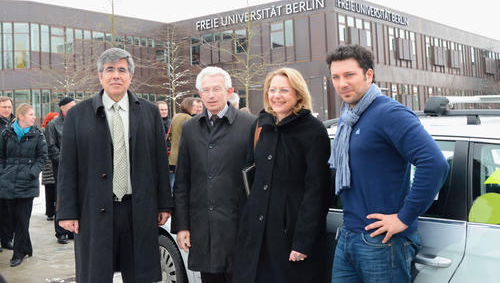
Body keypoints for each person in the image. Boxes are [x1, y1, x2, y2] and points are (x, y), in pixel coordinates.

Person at [326, 45, 449, 283]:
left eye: (349, 75)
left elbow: (434, 163)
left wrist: (404, 217)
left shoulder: (389, 113)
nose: (342, 83)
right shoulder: (348, 117)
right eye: (336, 77)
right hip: (349, 235)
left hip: (382, 242)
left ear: (368, 75)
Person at [57, 48, 173, 283]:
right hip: (94, 210)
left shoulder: (150, 113)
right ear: (100, 76)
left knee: (141, 275)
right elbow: (67, 167)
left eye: (122, 70)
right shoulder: (78, 115)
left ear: (131, 75)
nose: (116, 75)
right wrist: (67, 211)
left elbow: (160, 163)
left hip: (138, 209)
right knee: (95, 275)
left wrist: (164, 204)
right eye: (110, 70)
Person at [232, 68, 331, 283]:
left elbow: (318, 190)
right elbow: (249, 178)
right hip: (256, 234)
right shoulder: (260, 126)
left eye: (284, 90)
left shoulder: (313, 130)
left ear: (298, 94)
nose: (276, 96)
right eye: (272, 90)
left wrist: (303, 241)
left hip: (290, 236)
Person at [173, 66, 255, 283]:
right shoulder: (190, 128)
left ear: (229, 92)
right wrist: (182, 226)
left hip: (239, 226)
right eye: (205, 90)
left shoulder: (249, 125)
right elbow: (182, 181)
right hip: (204, 228)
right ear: (199, 94)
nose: (210, 95)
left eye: (216, 89)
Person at [0, 103, 48, 267]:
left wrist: (32, 173)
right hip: (8, 181)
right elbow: (1, 156)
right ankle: (27, 247)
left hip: (27, 183)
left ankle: (18, 253)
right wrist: (3, 172)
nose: (34, 117)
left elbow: (42, 157)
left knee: (22, 219)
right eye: (31, 114)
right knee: (12, 219)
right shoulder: (6, 133)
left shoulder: (38, 134)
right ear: (21, 116)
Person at [47, 97, 76, 244]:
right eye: (70, 106)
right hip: (61, 167)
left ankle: (72, 230)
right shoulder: (53, 124)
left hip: (78, 167)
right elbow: (51, 147)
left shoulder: (78, 121)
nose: (73, 108)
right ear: (62, 108)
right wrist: (65, 162)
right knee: (61, 199)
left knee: (76, 197)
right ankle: (61, 232)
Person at [167, 97, 196, 189]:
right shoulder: (187, 118)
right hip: (183, 155)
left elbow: (170, 134)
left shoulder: (176, 116)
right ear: (189, 106)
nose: (196, 108)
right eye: (194, 106)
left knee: (174, 181)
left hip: (173, 155)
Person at [0, 96, 15, 253]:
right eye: (3, 107)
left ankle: (6, 238)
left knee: (9, 209)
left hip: (12, 172)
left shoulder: (16, 123)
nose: (6, 110)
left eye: (8, 107)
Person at [41, 112, 59, 221]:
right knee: (49, 189)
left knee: (56, 189)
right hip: (48, 163)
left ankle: (54, 211)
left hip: (55, 161)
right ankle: (49, 212)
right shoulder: (44, 130)